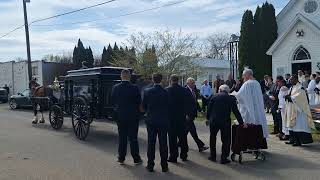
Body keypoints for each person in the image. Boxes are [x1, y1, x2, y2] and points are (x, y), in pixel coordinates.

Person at [206, 85, 246, 164]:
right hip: (225, 121)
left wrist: (207, 118)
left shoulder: (214, 96)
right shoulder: (230, 98)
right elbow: (236, 111)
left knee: (213, 137)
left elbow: (209, 109)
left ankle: (212, 156)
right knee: (226, 140)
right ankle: (224, 158)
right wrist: (241, 123)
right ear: (228, 91)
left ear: (220, 90)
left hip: (214, 121)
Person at [111, 69, 143, 165]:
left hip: (120, 116)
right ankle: (136, 159)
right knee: (133, 138)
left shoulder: (115, 88)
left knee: (122, 138)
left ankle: (121, 158)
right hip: (133, 116)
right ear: (129, 77)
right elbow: (139, 102)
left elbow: (112, 100)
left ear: (121, 76)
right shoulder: (135, 88)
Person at [143, 73, 169, 172]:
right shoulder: (166, 92)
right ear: (161, 80)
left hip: (151, 120)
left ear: (153, 80)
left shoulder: (147, 91)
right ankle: (164, 166)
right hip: (163, 120)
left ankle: (150, 165)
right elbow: (169, 105)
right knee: (163, 143)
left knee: (151, 143)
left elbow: (144, 106)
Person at [236, 69, 269, 138]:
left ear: (248, 75)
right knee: (257, 123)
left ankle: (249, 143)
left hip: (248, 110)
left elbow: (239, 95)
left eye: (244, 75)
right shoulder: (257, 83)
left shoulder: (247, 84)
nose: (243, 77)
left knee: (249, 124)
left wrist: (234, 95)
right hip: (257, 108)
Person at [284, 74, 314, 146]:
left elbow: (301, 97)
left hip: (298, 111)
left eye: (291, 79)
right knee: (292, 126)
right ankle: (292, 139)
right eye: (290, 79)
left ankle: (298, 141)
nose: (290, 81)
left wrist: (290, 98)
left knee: (297, 126)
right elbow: (290, 95)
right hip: (291, 109)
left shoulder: (300, 88)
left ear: (296, 79)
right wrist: (287, 96)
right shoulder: (292, 87)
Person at [166, 75, 189, 163]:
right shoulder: (184, 90)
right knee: (183, 137)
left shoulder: (167, 90)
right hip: (182, 116)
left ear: (170, 80)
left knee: (172, 138)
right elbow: (188, 102)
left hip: (171, 117)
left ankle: (173, 156)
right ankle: (184, 155)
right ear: (178, 80)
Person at [185, 77, 209, 152]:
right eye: (192, 83)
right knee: (193, 131)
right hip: (187, 115)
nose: (193, 84)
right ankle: (200, 146)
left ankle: (179, 143)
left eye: (193, 83)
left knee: (186, 131)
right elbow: (184, 103)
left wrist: (200, 110)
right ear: (188, 83)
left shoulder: (194, 90)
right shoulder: (185, 91)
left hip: (192, 114)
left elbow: (195, 102)